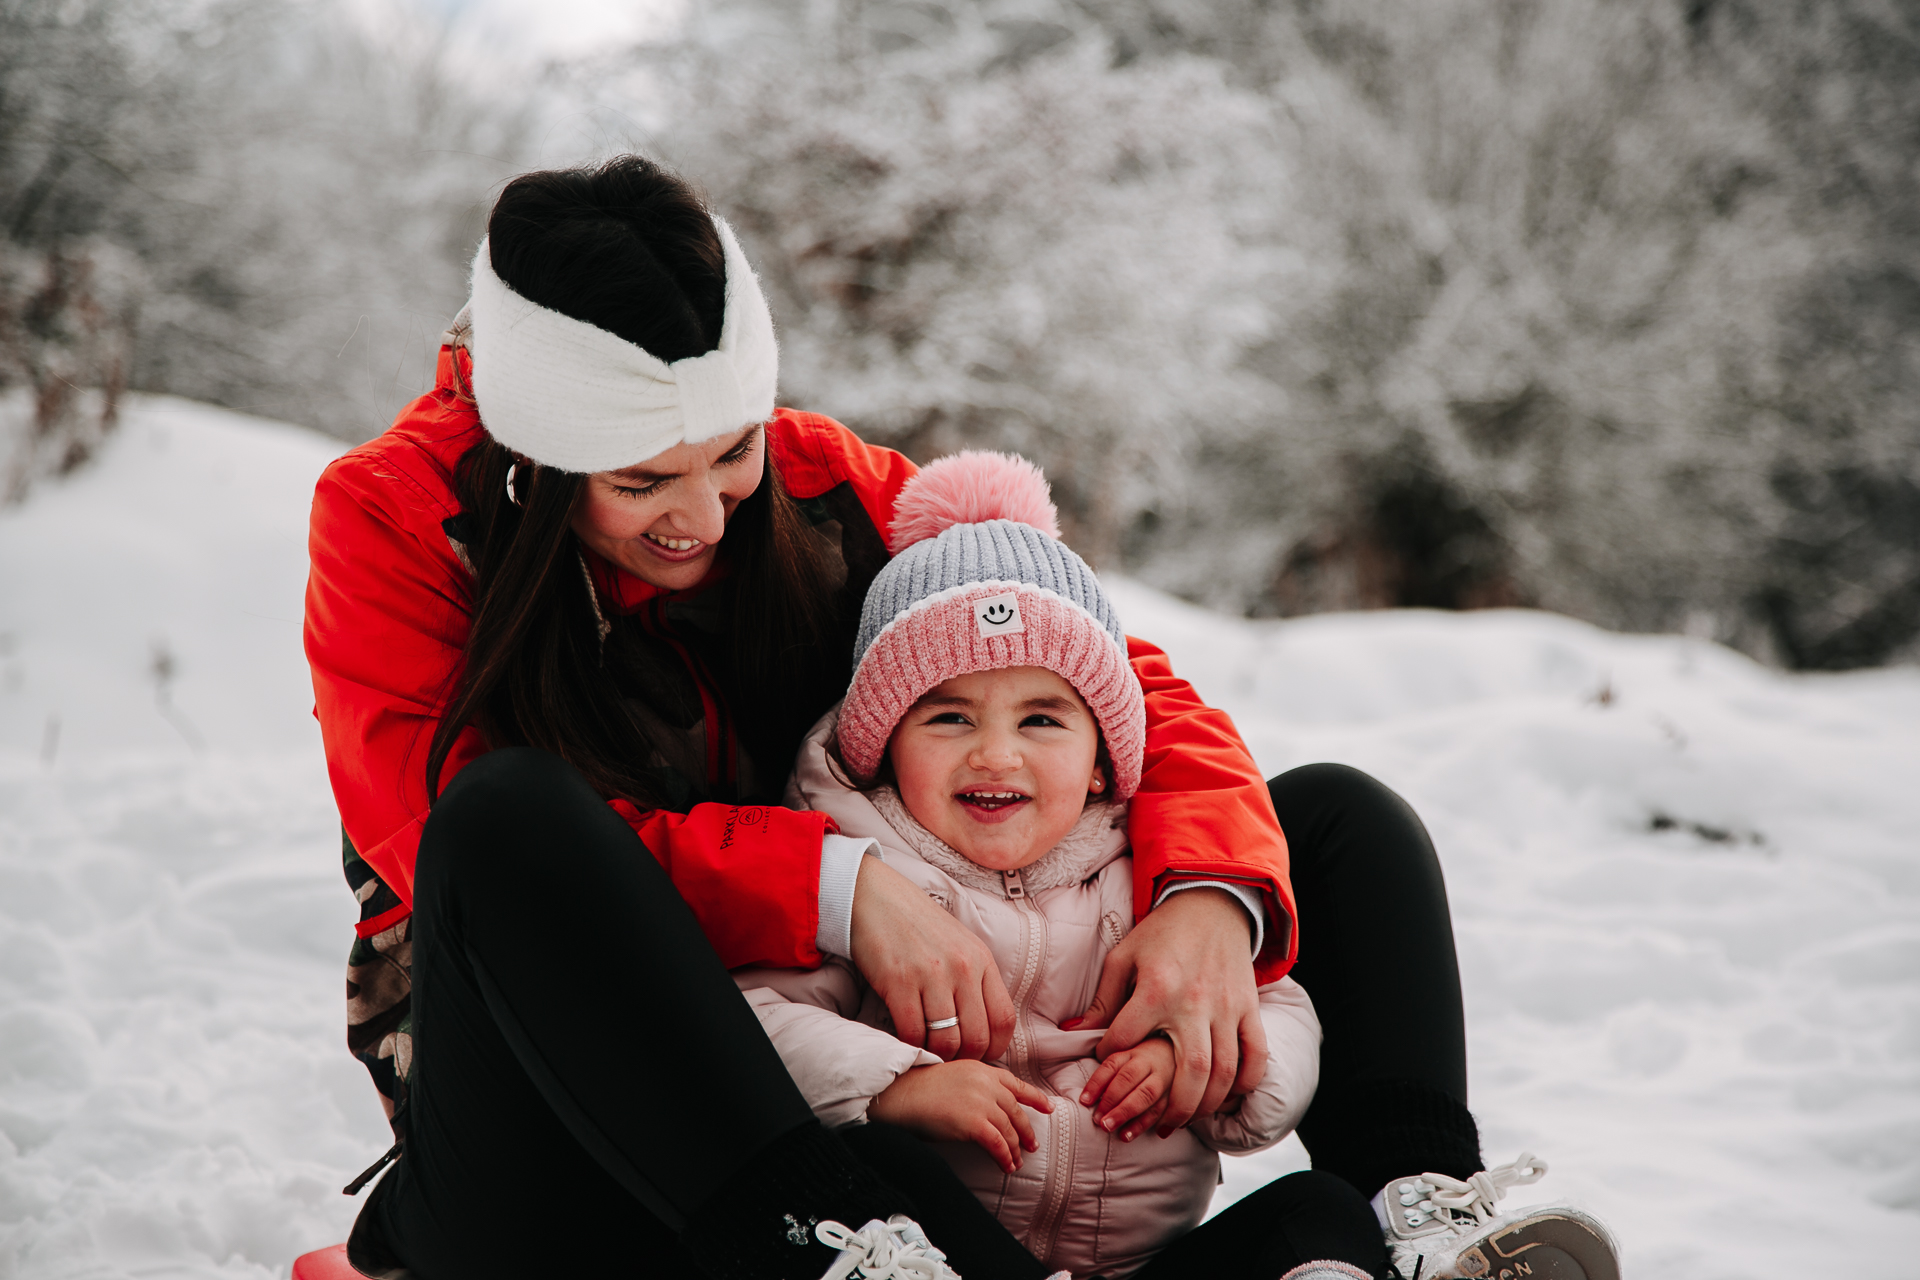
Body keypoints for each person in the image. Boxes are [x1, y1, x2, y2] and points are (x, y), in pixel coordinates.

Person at [303, 154, 1617, 1280]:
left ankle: (1420, 1220)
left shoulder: (825, 489)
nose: (703, 518)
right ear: (537, 452)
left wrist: (1213, 900)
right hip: (574, 1129)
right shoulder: (400, 523)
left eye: (731, 454)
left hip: (921, 1183)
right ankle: (822, 1248)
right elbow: (450, 860)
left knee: (1330, 822)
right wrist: (839, 886)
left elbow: (1109, 677)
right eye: (644, 479)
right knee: (510, 820)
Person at [740, 449, 1381, 1280]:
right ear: (884, 747)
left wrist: (1204, 1068)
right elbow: (758, 1021)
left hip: (1143, 1263)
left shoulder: (1148, 874)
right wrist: (898, 1086)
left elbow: (1281, 1008)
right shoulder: (867, 875)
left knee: (1317, 1209)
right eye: (948, 719)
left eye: (1042, 720)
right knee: (877, 1173)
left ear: (1102, 762)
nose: (995, 754)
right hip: (950, 1259)